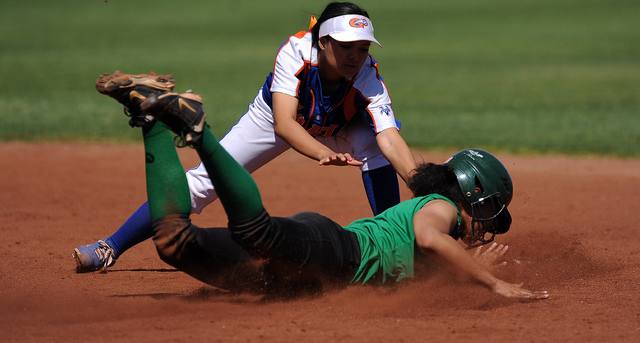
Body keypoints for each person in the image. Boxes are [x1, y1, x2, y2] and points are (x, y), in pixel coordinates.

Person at [82, 72, 549, 301]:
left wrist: (461, 269)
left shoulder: (446, 233)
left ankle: (150, 116)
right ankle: (199, 134)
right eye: (484, 211)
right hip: (334, 250)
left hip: (309, 276)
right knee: (257, 233)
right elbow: (428, 238)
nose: (484, 226)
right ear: (467, 193)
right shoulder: (439, 209)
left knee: (176, 244)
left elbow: (423, 263)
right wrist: (492, 282)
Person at [73, 1, 418, 273]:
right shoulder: (297, 52)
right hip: (272, 119)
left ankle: (398, 245)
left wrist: (424, 188)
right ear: (323, 41)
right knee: (202, 184)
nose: (356, 57)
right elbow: (284, 123)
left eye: (363, 48)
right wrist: (319, 153)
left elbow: (390, 139)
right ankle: (110, 247)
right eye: (347, 47)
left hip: (337, 127)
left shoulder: (368, 75)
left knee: (373, 146)